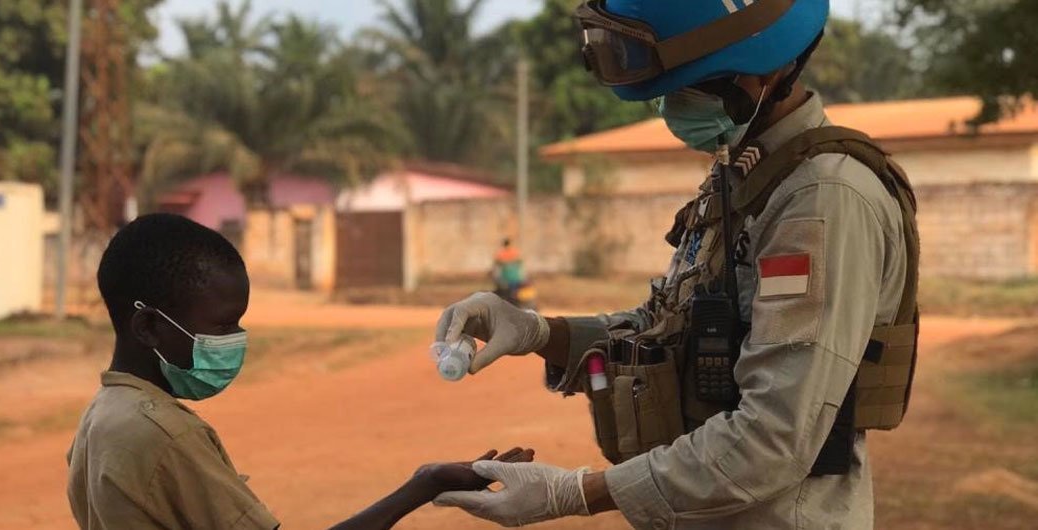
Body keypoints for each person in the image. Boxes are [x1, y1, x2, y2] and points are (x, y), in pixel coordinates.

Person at [430, 0, 919, 529]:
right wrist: (537, 332)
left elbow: (773, 435)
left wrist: (575, 493)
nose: (668, 108)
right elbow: (667, 329)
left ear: (764, 69)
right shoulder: (743, 179)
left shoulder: (822, 201)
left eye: (689, 87)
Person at [66, 213, 534, 530]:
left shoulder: (103, 416)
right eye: (223, 325)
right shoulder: (165, 435)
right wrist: (425, 483)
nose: (235, 340)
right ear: (148, 325)